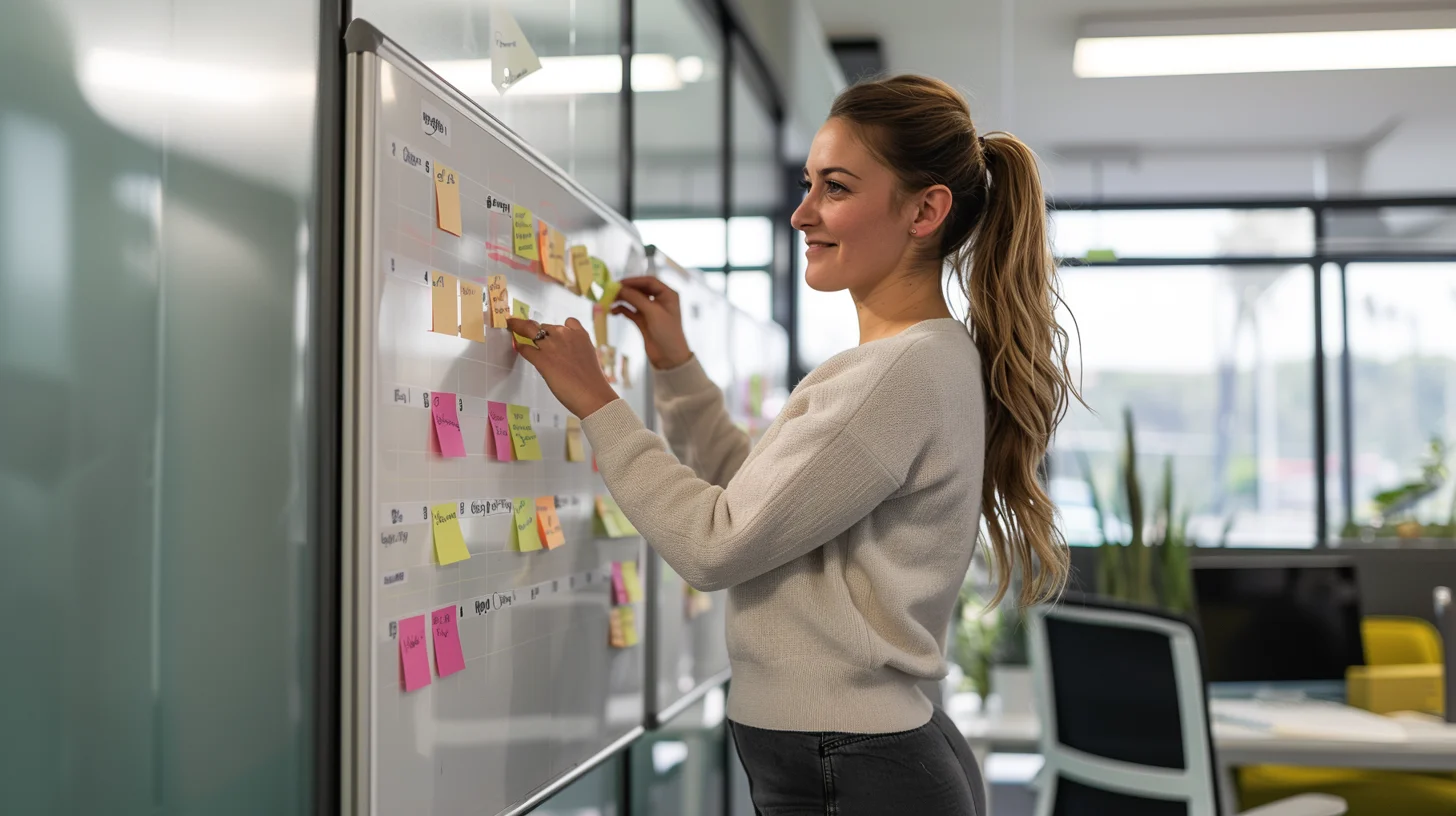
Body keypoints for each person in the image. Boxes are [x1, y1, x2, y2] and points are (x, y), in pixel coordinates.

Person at [507, 74, 1079, 816]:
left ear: (926, 210)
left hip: (852, 765)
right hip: (857, 756)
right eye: (808, 184)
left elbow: (716, 543)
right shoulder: (918, 361)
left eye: (835, 188)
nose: (801, 213)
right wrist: (677, 371)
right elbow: (764, 502)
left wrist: (597, 402)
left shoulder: (897, 372)